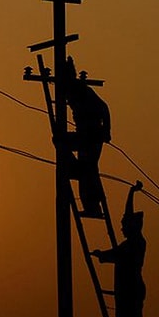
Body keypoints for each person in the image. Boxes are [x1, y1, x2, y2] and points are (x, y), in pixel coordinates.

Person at [91, 181, 146, 317]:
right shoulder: (131, 242)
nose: (122, 229)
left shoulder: (135, 243)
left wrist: (102, 254)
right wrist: (131, 193)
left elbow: (117, 254)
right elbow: (128, 214)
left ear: (132, 227)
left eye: (124, 226)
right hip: (126, 289)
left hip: (131, 289)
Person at [66, 56, 111, 217]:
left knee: (88, 167)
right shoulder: (69, 89)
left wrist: (107, 131)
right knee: (88, 168)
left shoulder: (81, 89)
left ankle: (93, 204)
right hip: (84, 134)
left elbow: (104, 108)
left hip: (92, 134)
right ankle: (75, 170)